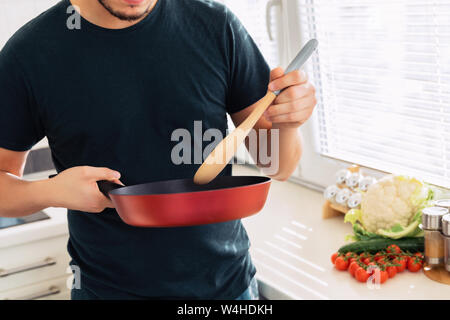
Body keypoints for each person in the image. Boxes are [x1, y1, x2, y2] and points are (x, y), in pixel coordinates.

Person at [0, 0, 316, 299]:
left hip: (228, 288)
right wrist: (51, 190)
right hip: (106, 291)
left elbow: (278, 165)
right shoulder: (31, 53)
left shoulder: (216, 26)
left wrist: (288, 123)